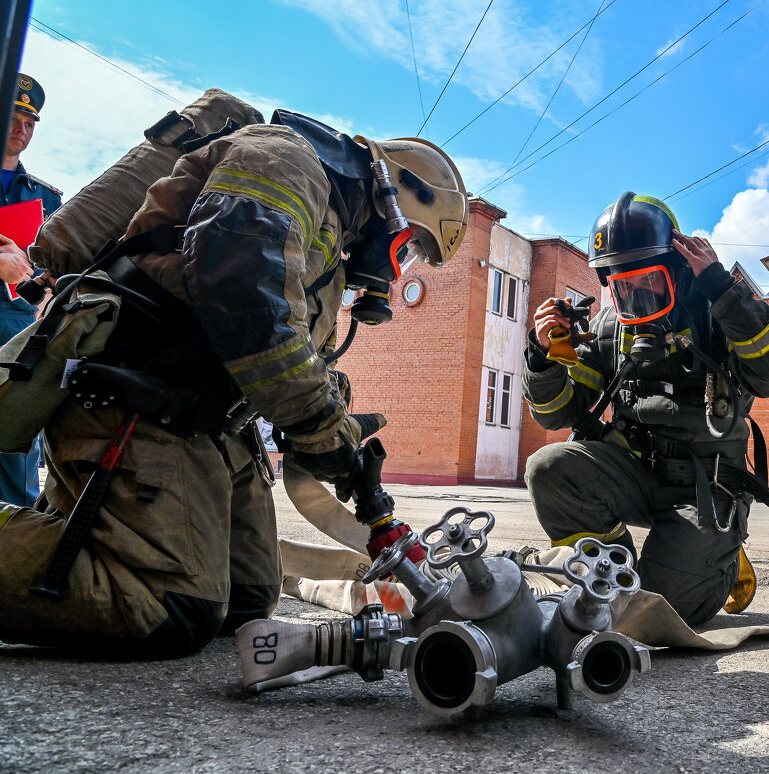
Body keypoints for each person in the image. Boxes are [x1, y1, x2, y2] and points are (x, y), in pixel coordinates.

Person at [0, 110, 468, 657]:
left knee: (247, 597)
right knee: (168, 606)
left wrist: (337, 424)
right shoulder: (285, 158)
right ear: (396, 196)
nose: (397, 266)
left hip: (205, 419)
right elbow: (244, 293)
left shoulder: (324, 246)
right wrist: (321, 429)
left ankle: (98, 531)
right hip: (140, 391)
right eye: (409, 247)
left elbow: (294, 354)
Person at [523, 192, 769, 626]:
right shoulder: (609, 330)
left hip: (705, 488)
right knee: (549, 467)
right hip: (636, 474)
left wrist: (722, 290)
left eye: (647, 280)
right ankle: (613, 569)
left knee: (658, 616)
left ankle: (717, 554)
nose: (634, 296)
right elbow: (558, 414)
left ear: (676, 268)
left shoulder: (721, 313)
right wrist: (543, 358)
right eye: (621, 286)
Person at [0, 74, 62, 508]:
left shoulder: (46, 199)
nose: (20, 128)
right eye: (12, 116)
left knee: (13, 451)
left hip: (18, 330)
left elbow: (61, 266)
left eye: (29, 121)